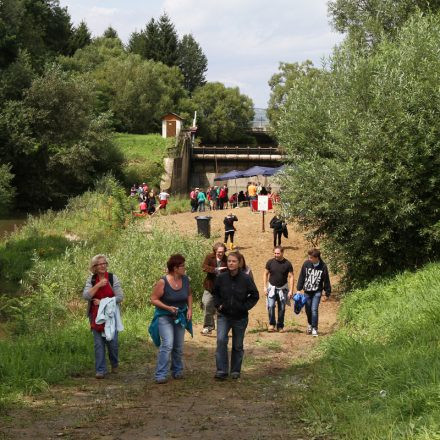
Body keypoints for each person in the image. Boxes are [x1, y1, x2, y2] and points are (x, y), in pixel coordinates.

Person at [213, 252, 259, 380]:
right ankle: (221, 371)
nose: (231, 263)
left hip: (240, 317)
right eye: (229, 261)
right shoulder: (221, 277)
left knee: (237, 345)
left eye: (234, 261)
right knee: (221, 341)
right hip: (224, 316)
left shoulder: (246, 278)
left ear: (239, 263)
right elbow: (215, 293)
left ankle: (235, 371)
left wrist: (244, 307)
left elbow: (255, 295)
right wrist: (218, 305)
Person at [149, 254, 193, 383]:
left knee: (178, 345)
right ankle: (160, 374)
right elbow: (153, 299)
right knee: (168, 344)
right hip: (165, 316)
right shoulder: (163, 282)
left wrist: (189, 309)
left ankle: (177, 370)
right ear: (175, 268)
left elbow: (189, 295)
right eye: (182, 266)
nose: (184, 268)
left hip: (180, 316)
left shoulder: (185, 280)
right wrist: (168, 308)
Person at [83, 255, 124, 379]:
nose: (102, 266)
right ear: (94, 267)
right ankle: (100, 370)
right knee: (98, 343)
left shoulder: (112, 278)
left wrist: (103, 302)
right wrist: (98, 285)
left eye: (104, 263)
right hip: (95, 315)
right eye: (99, 264)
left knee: (112, 342)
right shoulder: (91, 280)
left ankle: (114, 363)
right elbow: (86, 296)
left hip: (111, 315)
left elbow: (120, 297)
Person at [296, 248, 331, 337]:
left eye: (311, 257)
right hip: (307, 291)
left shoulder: (323, 266)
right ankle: (310, 324)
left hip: (317, 291)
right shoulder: (306, 264)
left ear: (317, 258)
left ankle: (315, 328)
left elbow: (326, 280)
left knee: (314, 309)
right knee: (308, 309)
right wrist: (299, 289)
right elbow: (302, 276)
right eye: (309, 257)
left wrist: (327, 293)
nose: (309, 259)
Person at [263, 246, 294, 332]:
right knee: (271, 306)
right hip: (271, 288)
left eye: (278, 253)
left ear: (282, 253)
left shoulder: (287, 264)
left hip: (283, 289)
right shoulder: (270, 262)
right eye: (275, 253)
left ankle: (280, 326)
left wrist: (291, 290)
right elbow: (265, 274)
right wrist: (265, 287)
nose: (276, 255)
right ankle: (272, 324)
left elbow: (291, 276)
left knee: (282, 308)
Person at [201, 243, 228, 335]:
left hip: (222, 289)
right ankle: (208, 326)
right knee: (207, 303)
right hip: (210, 286)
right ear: (215, 251)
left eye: (222, 252)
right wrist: (215, 269)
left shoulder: (227, 259)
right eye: (218, 252)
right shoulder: (209, 257)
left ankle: (221, 327)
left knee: (221, 308)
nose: (220, 254)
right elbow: (204, 267)